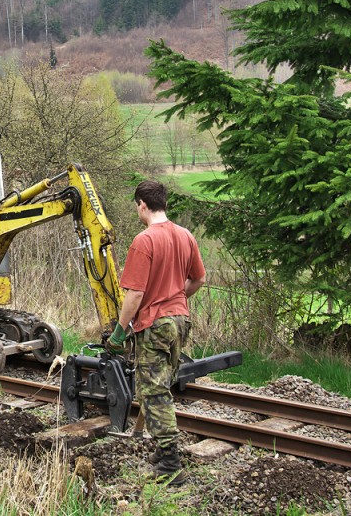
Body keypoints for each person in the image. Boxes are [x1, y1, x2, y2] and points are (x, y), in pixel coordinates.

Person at [106, 180, 206, 485]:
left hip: (155, 325)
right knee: (163, 386)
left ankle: (170, 466)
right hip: (180, 322)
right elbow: (199, 279)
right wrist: (175, 299)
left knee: (155, 393)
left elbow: (134, 295)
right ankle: (164, 453)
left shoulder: (144, 241)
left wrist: (119, 332)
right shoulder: (185, 236)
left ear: (141, 205)